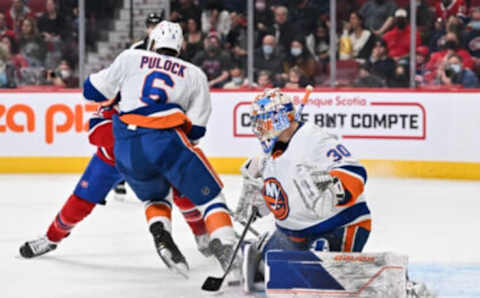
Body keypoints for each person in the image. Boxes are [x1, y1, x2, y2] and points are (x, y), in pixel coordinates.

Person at [82, 21, 238, 276]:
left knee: (155, 197)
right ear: (181, 47)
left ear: (152, 42)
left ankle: (161, 232)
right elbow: (197, 131)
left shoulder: (130, 57)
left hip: (125, 146)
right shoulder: (194, 74)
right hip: (163, 139)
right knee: (211, 198)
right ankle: (228, 247)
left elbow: (91, 90)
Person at [19, 102, 213, 261]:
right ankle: (51, 238)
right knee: (79, 203)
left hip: (152, 159)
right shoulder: (115, 97)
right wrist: (135, 138)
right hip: (111, 160)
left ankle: (201, 235)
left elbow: (187, 131)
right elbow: (94, 132)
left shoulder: (165, 98)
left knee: (182, 192)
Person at [234, 88, 371, 290]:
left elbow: (355, 172)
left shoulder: (315, 139)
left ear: (279, 119)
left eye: (262, 121)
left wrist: (333, 190)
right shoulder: (267, 157)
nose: (258, 128)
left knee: (320, 279)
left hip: (338, 226)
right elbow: (284, 197)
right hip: (294, 233)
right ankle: (266, 247)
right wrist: (261, 202)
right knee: (276, 271)